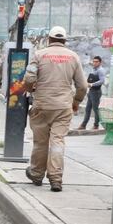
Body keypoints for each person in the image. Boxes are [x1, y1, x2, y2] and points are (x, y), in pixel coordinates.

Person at [23, 26, 87, 193]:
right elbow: (82, 86)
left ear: (49, 40)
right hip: (63, 107)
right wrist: (76, 101)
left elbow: (29, 78)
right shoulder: (73, 57)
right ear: (64, 41)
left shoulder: (39, 55)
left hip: (42, 105)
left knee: (41, 142)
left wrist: (31, 89)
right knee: (57, 141)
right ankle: (56, 179)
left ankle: (36, 174)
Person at [78, 56, 106, 130]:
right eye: (94, 61)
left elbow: (102, 81)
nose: (94, 63)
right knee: (87, 109)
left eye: (96, 62)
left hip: (96, 92)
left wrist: (92, 84)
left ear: (100, 62)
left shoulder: (101, 70)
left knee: (95, 109)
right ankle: (83, 125)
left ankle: (96, 125)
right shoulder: (94, 69)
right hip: (91, 91)